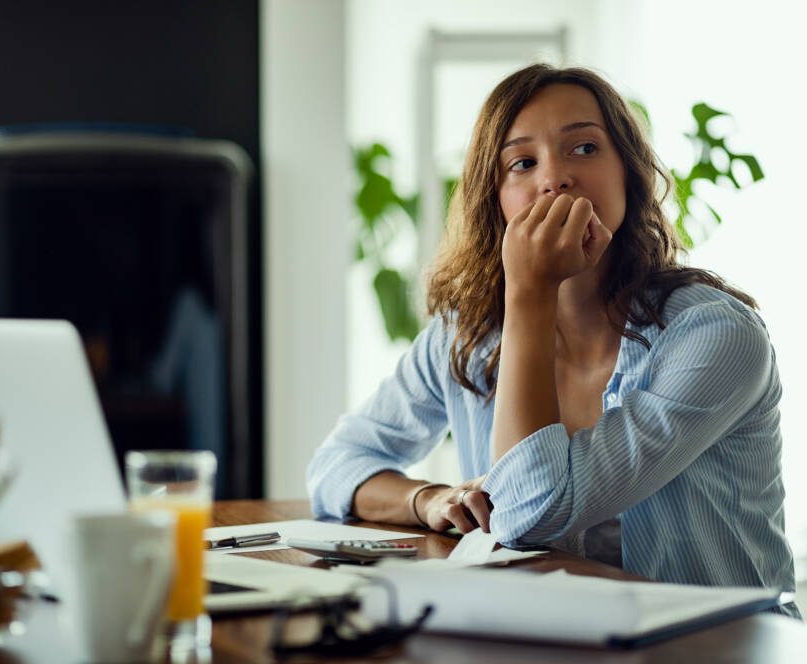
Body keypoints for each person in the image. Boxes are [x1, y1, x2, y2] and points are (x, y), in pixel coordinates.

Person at [307, 63, 799, 616]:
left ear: (628, 175)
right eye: (523, 162)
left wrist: (529, 293)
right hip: (557, 635)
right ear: (494, 199)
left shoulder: (715, 337)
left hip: (721, 646)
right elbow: (336, 467)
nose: (555, 178)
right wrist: (426, 500)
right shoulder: (465, 333)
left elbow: (530, 512)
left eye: (584, 149)